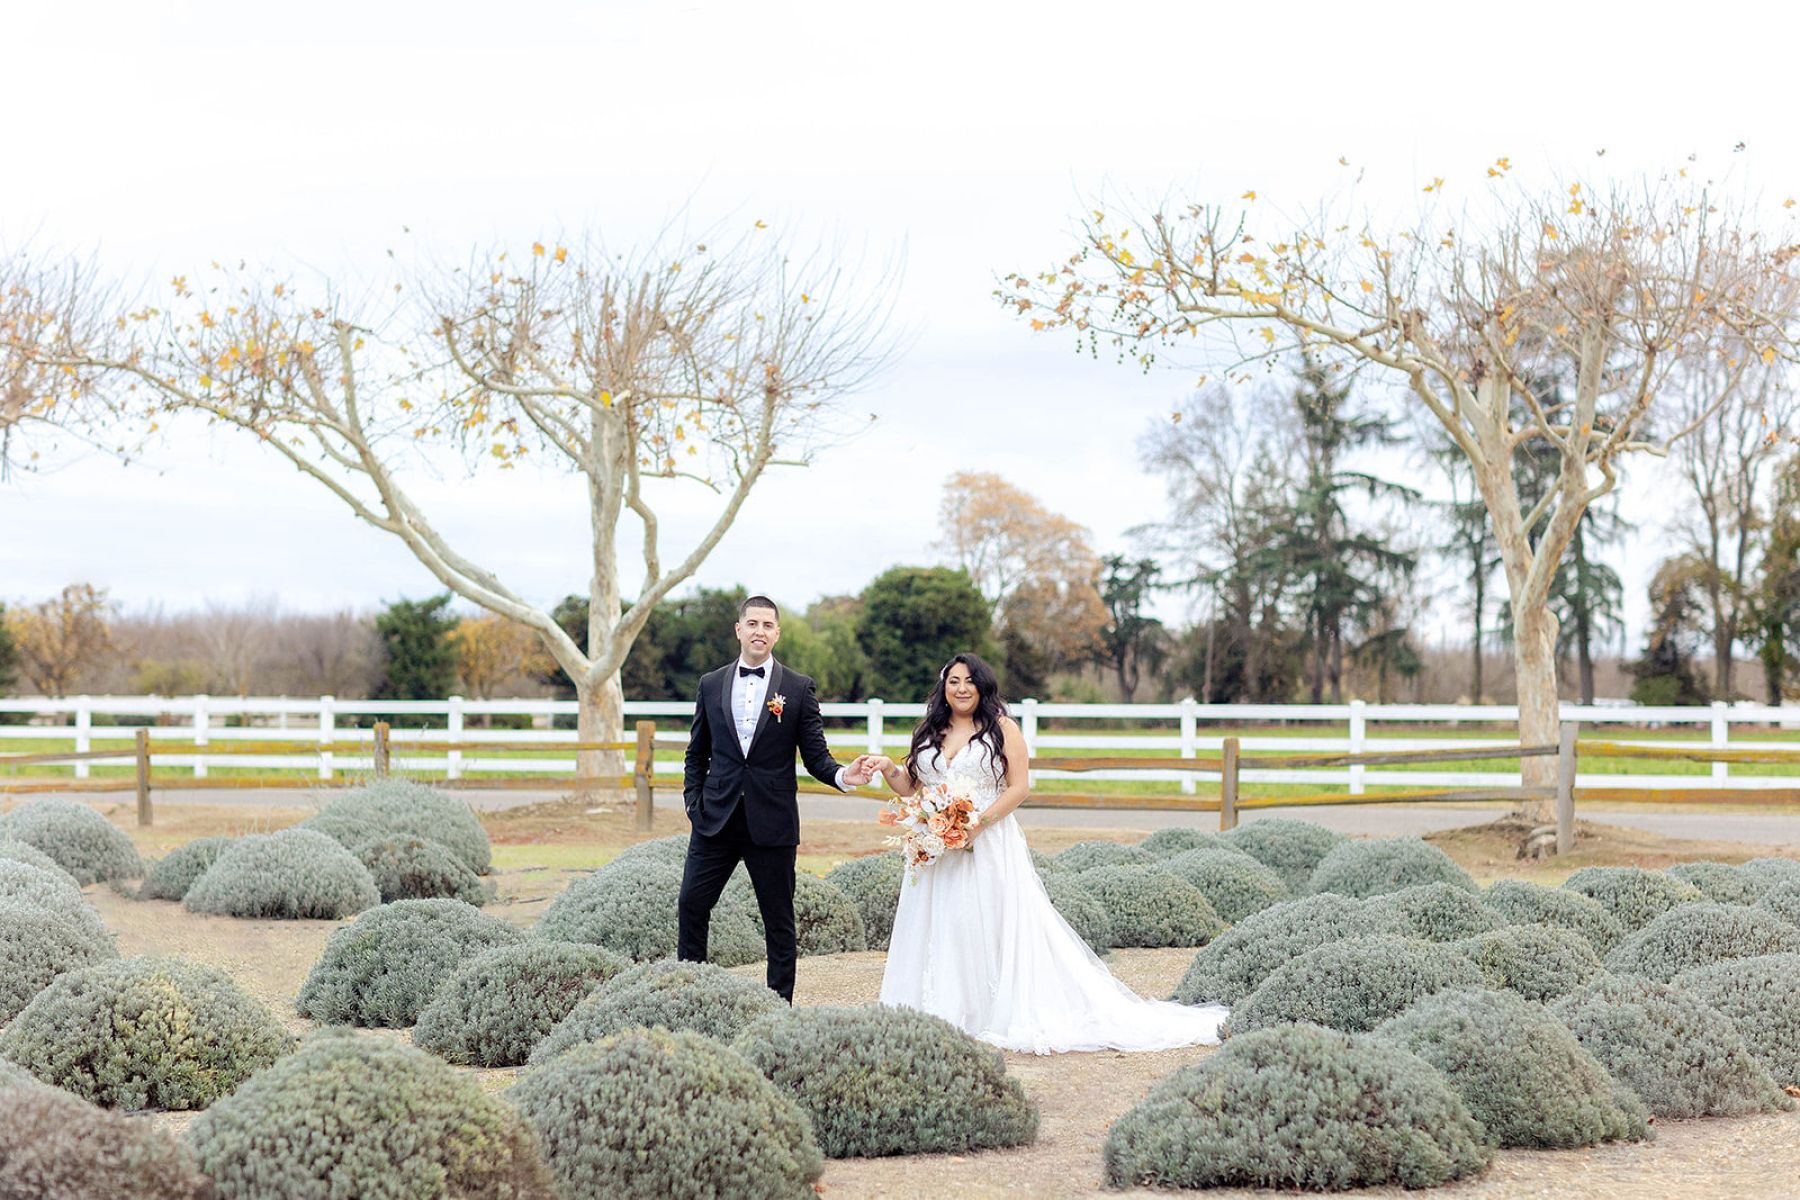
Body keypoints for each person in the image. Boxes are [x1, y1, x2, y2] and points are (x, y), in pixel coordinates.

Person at [870, 652, 1228, 1053]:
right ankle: (943, 1008)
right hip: (937, 849)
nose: (962, 688)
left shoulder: (1001, 728)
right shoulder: (930, 730)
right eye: (954, 681)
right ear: (943, 687)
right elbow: (912, 787)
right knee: (942, 922)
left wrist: (977, 824)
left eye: (969, 680)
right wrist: (887, 767)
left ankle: (987, 1010)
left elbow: (1019, 787)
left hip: (988, 844)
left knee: (986, 921)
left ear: (982, 685)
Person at [678, 594, 875, 1002]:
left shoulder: (799, 688)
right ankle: (690, 995)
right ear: (739, 629)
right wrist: (694, 806)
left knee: (779, 921)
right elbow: (696, 753)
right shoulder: (711, 684)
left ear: (777, 634)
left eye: (767, 625)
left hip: (773, 823)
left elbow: (815, 756)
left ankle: (777, 1005)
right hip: (716, 818)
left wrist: (843, 775)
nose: (759, 632)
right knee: (692, 905)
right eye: (752, 624)